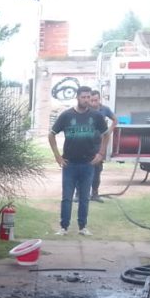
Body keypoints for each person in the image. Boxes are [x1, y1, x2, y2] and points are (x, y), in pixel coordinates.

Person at [48, 86, 108, 236]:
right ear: (77, 97)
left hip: (88, 163)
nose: (86, 100)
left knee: (84, 198)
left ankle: (83, 227)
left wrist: (101, 153)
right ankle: (64, 227)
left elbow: (106, 134)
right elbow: (51, 134)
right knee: (67, 197)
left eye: (89, 97)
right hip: (69, 164)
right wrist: (57, 156)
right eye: (83, 97)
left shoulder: (96, 116)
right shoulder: (66, 115)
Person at [89, 90, 116, 201]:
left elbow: (115, 120)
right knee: (83, 168)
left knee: (97, 170)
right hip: (86, 143)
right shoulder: (86, 110)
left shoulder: (105, 110)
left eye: (96, 100)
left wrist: (108, 132)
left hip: (99, 144)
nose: (94, 103)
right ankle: (79, 194)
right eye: (92, 100)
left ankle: (95, 193)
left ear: (99, 100)